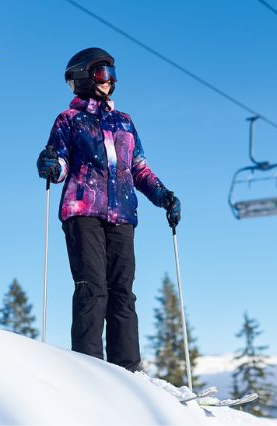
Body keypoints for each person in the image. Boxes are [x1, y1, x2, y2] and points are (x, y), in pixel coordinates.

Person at [36, 47, 180, 372]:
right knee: (93, 288)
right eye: (102, 73)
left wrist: (162, 195)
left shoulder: (124, 123)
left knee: (123, 293)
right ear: (83, 77)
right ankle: (90, 370)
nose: (109, 81)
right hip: (83, 210)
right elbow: (59, 163)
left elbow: (138, 168)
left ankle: (127, 371)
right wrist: (50, 164)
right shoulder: (69, 120)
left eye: (113, 74)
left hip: (122, 215)